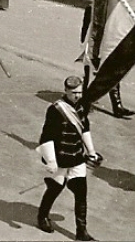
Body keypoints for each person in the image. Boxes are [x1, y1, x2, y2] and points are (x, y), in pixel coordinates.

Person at [36, 76, 101, 240]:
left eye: (79, 92)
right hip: (60, 158)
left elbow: (84, 129)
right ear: (65, 91)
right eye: (74, 93)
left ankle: (81, 231)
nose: (77, 96)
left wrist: (91, 151)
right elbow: (46, 137)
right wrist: (50, 160)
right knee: (56, 188)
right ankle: (42, 217)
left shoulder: (82, 107)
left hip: (77, 157)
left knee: (81, 193)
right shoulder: (56, 109)